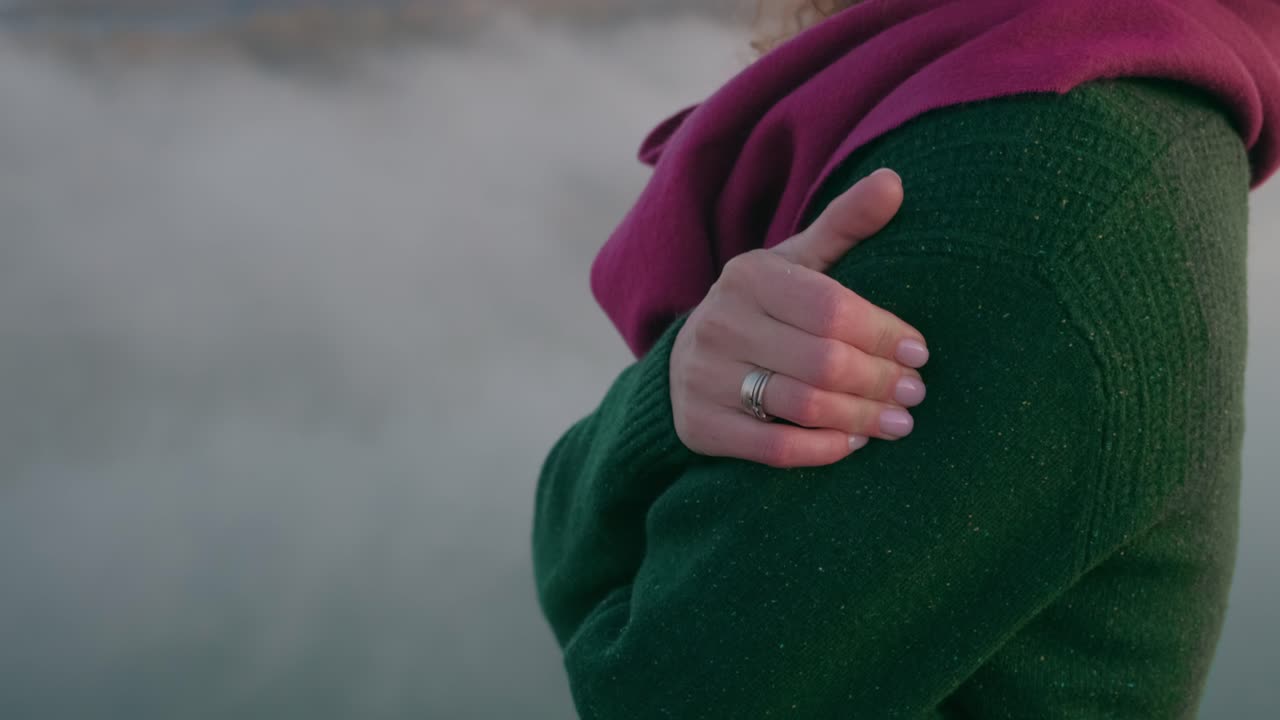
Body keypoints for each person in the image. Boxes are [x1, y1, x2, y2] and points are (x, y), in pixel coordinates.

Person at [532, 1, 1279, 717]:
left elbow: (653, 689)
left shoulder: (1033, 188)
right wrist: (670, 391)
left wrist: (636, 433)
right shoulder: (1122, 89)